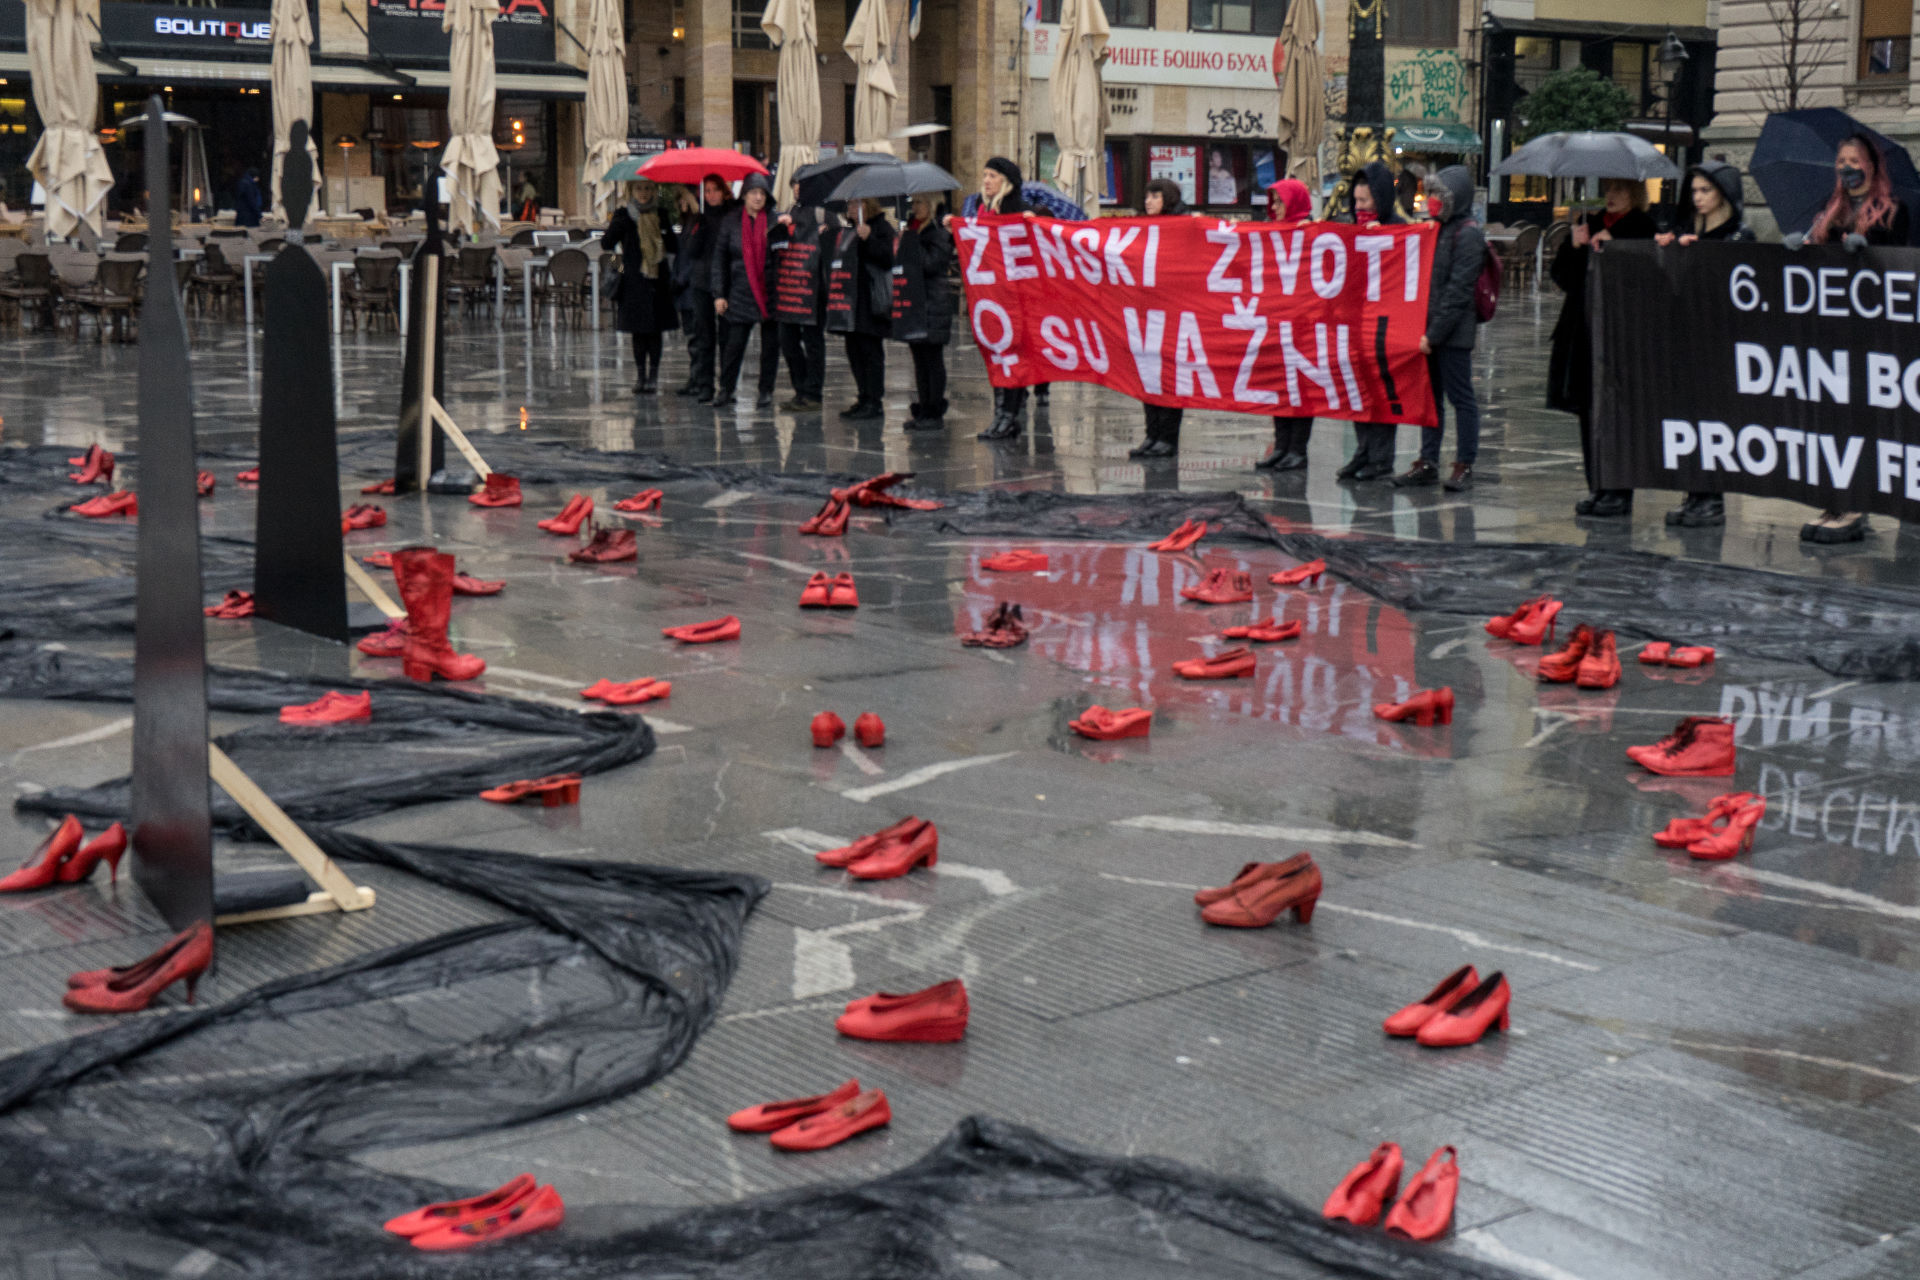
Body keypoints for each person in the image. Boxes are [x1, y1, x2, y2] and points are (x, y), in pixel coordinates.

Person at [1793, 135, 1909, 545]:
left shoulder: (1894, 212)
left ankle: (1857, 504)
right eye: (1841, 160)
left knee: (1864, 420)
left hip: (1873, 336)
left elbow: (1904, 266)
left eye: (1854, 160)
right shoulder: (1829, 212)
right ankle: (1836, 499)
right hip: (1832, 335)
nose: (1847, 167)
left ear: (1871, 166)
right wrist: (1803, 249)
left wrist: (1870, 251)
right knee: (1834, 420)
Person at [1548, 177, 1657, 518]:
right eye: (1609, 189)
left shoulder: (1643, 227)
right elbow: (1563, 278)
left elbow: (1646, 278)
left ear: (1634, 194)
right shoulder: (1589, 223)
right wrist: (1574, 246)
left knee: (1615, 413)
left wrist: (1618, 245)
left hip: (1619, 332)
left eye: (1620, 190)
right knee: (1588, 412)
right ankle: (1597, 485)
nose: (1612, 196)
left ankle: (1619, 490)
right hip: (1583, 330)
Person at [1655, 162, 1755, 528]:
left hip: (1720, 344)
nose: (1697, 198)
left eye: (1705, 191)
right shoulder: (1686, 231)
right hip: (1686, 339)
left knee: (1713, 421)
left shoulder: (1739, 236)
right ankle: (1693, 493)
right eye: (1694, 191)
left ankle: (1712, 496)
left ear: (1724, 195)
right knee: (1688, 419)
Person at [1393, 165, 1484, 492]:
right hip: (1429, 330)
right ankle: (1427, 461)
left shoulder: (1469, 234)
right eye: (1430, 194)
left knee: (1461, 398)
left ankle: (1464, 464)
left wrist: (1434, 334)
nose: (1430, 200)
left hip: (1453, 335)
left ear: (1453, 199)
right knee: (1429, 400)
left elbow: (1458, 292)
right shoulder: (1436, 228)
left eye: (1437, 195)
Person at [1335, 162, 1408, 482]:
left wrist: (1387, 242)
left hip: (1386, 325)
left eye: (1366, 201)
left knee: (1381, 392)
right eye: (1357, 201)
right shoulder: (1351, 228)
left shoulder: (1399, 228)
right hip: (1355, 323)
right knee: (1358, 390)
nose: (1359, 207)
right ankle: (1363, 451)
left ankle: (1381, 459)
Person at [959, 158, 1037, 441]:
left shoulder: (1020, 210)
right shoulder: (983, 209)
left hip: (1016, 298)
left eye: (992, 175)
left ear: (1006, 181)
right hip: (991, 298)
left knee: (1012, 358)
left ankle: (1010, 415)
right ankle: (1000, 413)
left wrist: (1034, 222)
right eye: (985, 175)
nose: (987, 180)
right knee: (997, 356)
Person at [1128, 178, 1193, 459]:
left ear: (1167, 198)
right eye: (1147, 196)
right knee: (1148, 375)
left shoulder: (1186, 224)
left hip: (1175, 311)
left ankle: (1168, 437)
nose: (1149, 201)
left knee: (1168, 376)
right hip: (1148, 310)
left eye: (1155, 196)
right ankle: (1152, 434)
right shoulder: (1143, 226)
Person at [1257, 177, 1317, 471]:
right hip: (1277, 322)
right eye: (1274, 201)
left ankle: (1298, 449)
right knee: (1280, 387)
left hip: (1303, 325)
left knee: (1300, 388)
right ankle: (1281, 446)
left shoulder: (1313, 233)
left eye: (1281, 201)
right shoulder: (1272, 234)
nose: (1276, 207)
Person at [601, 179, 679, 394]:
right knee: (638, 332)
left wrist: (662, 235)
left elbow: (674, 245)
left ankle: (653, 376)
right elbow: (607, 245)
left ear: (654, 190)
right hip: (633, 281)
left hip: (657, 280)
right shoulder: (623, 215)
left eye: (647, 188)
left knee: (655, 331)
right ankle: (640, 376)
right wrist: (618, 224)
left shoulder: (661, 214)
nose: (643, 193)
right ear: (631, 191)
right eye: (639, 189)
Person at [710, 172, 781, 409]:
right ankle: (726, 389)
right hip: (739, 292)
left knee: (770, 346)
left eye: (762, 193)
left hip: (769, 291)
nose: (758, 197)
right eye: (754, 193)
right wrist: (719, 294)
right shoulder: (731, 221)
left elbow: (783, 255)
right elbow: (719, 259)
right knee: (734, 346)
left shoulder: (774, 221)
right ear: (745, 196)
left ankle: (766, 390)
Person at [825, 198, 895, 420]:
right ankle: (863, 395)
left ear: (867, 206)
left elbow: (888, 258)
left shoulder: (882, 227)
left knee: (871, 352)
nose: (850, 209)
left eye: (856, 205)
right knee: (854, 351)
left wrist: (869, 238)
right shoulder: (850, 230)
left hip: (871, 301)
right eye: (850, 206)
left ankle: (874, 400)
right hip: (852, 302)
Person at [891, 194, 954, 431]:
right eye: (914, 203)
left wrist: (912, 243)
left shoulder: (938, 234)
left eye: (919, 203)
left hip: (932, 304)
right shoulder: (912, 231)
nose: (915, 207)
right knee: (918, 360)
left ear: (930, 205)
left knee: (932, 359)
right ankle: (924, 407)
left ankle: (934, 410)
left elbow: (930, 264)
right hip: (914, 303)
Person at [675, 175, 733, 403]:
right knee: (703, 336)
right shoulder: (699, 219)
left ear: (723, 192)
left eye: (715, 190)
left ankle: (726, 387)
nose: (711, 195)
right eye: (707, 191)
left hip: (725, 284)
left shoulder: (731, 217)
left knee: (727, 339)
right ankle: (704, 384)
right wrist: (698, 228)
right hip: (701, 283)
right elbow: (690, 249)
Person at [771, 202, 831, 411]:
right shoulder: (788, 211)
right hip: (790, 290)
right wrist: (778, 225)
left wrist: (827, 235)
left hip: (815, 291)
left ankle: (813, 393)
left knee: (813, 342)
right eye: (795, 184)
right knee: (787, 340)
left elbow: (837, 245)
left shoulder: (824, 212)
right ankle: (800, 389)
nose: (798, 189)